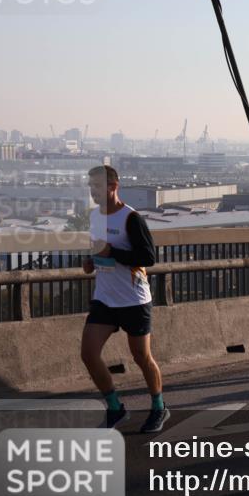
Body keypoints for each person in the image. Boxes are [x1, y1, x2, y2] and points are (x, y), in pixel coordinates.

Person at [81, 165, 168, 433]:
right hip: (105, 298)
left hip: (133, 298)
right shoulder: (94, 217)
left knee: (141, 356)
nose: (93, 192)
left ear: (113, 187)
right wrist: (89, 261)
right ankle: (115, 408)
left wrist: (112, 252)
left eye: (97, 186)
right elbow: (97, 249)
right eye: (90, 186)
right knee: (88, 354)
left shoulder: (132, 219)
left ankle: (159, 407)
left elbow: (148, 258)